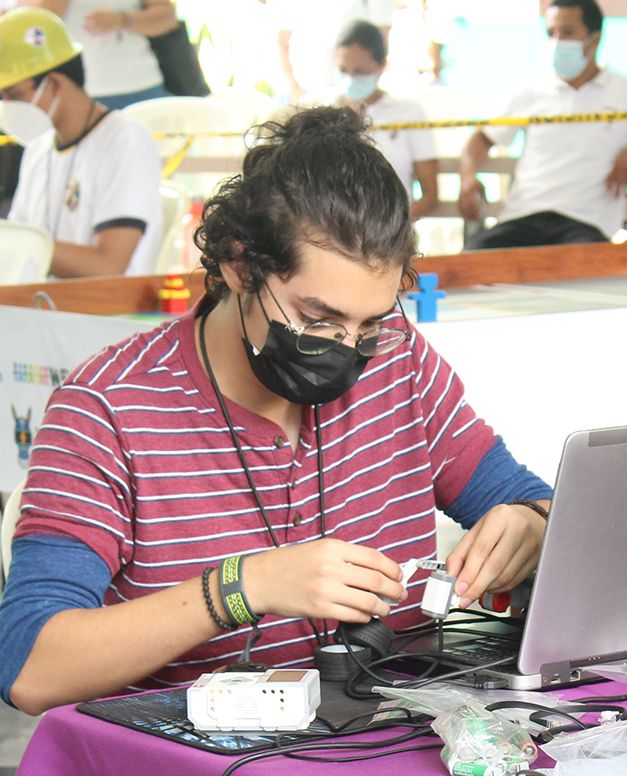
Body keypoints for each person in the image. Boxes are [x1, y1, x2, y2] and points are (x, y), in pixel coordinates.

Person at [0, 106, 553, 715]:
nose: (347, 349)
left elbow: (537, 502)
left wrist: (532, 525)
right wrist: (244, 587)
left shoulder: (399, 364)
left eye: (369, 323)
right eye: (317, 319)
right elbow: (30, 667)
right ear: (240, 267)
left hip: (387, 744)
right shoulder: (108, 408)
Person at [457, 0, 627, 250]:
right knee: (468, 264)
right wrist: (468, 178)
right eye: (551, 33)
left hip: (585, 226)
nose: (557, 41)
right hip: (521, 219)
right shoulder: (528, 93)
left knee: (581, 272)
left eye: (567, 32)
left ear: (594, 38)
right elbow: (480, 140)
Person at [0, 7, 162, 277]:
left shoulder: (124, 141)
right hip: (41, 307)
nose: (7, 107)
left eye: (13, 94)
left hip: (103, 312)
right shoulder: (40, 147)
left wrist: (16, 243)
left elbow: (108, 266)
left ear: (54, 84)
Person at [334, 19, 439, 220]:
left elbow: (431, 197)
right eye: (343, 71)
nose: (350, 79)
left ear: (382, 65)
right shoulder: (319, 110)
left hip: (390, 233)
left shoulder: (409, 115)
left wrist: (390, 230)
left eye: (360, 72)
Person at [18, 0, 177, 108]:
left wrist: (123, 20)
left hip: (140, 84)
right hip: (77, 94)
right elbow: (35, 23)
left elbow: (168, 16)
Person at [274, 0, 393, 104]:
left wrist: (364, 86)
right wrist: (294, 86)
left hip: (355, 97)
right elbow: (282, 43)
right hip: (304, 92)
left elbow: (382, 38)